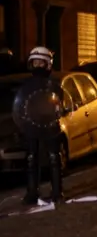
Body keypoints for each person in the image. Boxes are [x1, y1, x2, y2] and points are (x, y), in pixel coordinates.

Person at [21, 46, 66, 204]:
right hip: (32, 124)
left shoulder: (53, 84)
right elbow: (21, 103)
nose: (38, 65)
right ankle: (32, 192)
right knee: (32, 159)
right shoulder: (26, 84)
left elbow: (60, 103)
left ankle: (57, 191)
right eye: (36, 62)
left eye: (42, 62)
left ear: (48, 64)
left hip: (50, 124)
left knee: (54, 158)